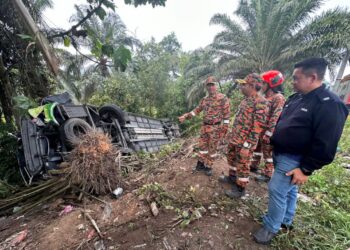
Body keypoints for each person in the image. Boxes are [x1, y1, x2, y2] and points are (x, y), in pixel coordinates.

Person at [253, 58, 349, 244]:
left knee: (276, 189)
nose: (292, 82)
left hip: (295, 158)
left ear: (312, 77)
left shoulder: (329, 104)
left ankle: (270, 227)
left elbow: (327, 143)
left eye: (296, 78)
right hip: (282, 153)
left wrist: (306, 169)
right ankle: (286, 220)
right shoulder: (297, 98)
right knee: (288, 191)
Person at [219, 73, 268, 198]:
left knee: (243, 163)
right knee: (232, 158)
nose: (241, 87)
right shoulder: (245, 100)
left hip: (245, 141)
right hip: (235, 138)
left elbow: (258, 126)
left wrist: (248, 144)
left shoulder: (261, 102)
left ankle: (240, 189)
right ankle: (232, 177)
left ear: (252, 85)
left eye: (243, 85)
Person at [178, 76, 230, 176]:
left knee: (212, 148)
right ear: (206, 87)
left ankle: (209, 166)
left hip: (216, 128)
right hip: (205, 127)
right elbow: (197, 110)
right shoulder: (204, 99)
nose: (210, 87)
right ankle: (201, 164)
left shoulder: (223, 98)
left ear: (216, 86)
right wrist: (186, 116)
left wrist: (225, 128)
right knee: (202, 146)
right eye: (208, 85)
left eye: (212, 85)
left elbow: (226, 115)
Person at [250, 70, 286, 182]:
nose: (262, 86)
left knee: (267, 152)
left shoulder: (278, 98)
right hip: (261, 129)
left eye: (264, 83)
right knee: (257, 148)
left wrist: (269, 133)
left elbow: (276, 117)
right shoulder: (265, 97)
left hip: (268, 131)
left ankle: (268, 174)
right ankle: (254, 165)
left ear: (272, 84)